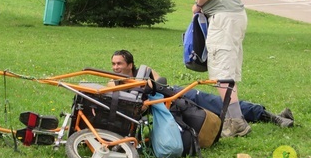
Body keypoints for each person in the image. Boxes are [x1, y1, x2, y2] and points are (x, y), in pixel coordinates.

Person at [167, 0, 251, 137]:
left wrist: (198, 4)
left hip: (223, 18)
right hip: (233, 17)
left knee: (221, 73)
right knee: (227, 72)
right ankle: (235, 118)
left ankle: (236, 123)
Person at [110, 50, 294, 128]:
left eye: (119, 63)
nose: (116, 67)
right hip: (169, 110)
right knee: (213, 119)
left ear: (130, 64)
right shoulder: (112, 82)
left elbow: (161, 84)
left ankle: (272, 117)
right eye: (113, 64)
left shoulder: (144, 71)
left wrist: (148, 89)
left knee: (219, 105)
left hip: (179, 95)